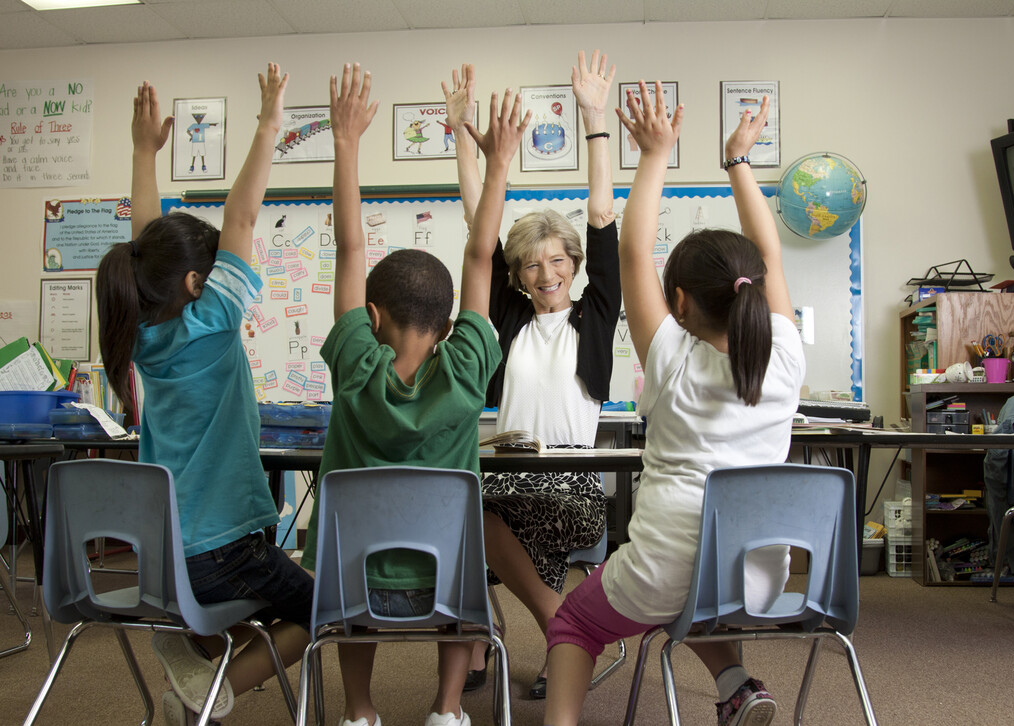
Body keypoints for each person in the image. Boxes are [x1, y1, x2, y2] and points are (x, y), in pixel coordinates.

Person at [543, 86, 805, 726]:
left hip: (662, 569)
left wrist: (654, 151)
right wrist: (738, 161)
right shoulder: (787, 352)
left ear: (679, 302)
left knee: (575, 618)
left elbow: (631, 251)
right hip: (759, 579)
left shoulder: (670, 357)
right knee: (699, 582)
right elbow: (767, 255)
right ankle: (737, 683)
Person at [296, 63, 527, 726]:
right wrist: (500, 159)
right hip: (442, 592)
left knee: (350, 596)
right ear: (453, 325)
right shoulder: (466, 370)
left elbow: (347, 245)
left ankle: (361, 711)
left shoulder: (355, 368)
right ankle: (448, 708)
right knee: (470, 593)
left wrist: (345, 143)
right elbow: (482, 257)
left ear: (370, 319)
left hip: (351, 590)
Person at [95, 66, 314, 725]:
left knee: (267, 588)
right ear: (197, 282)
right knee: (327, 604)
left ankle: (198, 662)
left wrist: (141, 154)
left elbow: (144, 249)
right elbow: (243, 213)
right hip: (222, 551)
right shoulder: (210, 321)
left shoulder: (137, 333)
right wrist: (269, 122)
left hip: (163, 554)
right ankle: (208, 694)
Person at [443, 50, 621, 699]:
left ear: (573, 264)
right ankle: (557, 634)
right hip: (507, 473)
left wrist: (594, 116)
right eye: (530, 267)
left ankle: (501, 630)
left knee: (472, 513)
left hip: (571, 484)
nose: (546, 276)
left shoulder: (595, 317)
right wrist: (463, 133)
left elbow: (602, 215)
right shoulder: (510, 319)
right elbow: (477, 224)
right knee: (469, 502)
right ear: (516, 277)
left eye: (557, 262)